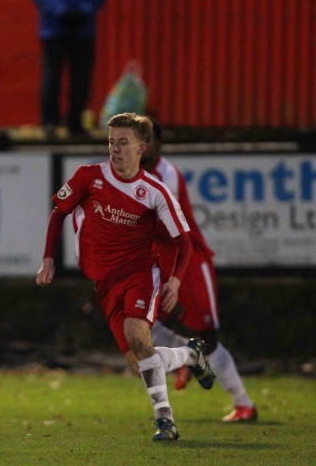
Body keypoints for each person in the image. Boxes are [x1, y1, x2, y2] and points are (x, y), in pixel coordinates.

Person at [36, 112, 215, 442]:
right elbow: (58, 212)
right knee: (141, 359)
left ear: (141, 148)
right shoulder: (89, 177)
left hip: (141, 273)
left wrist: (174, 282)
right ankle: (191, 354)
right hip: (104, 282)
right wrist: (48, 259)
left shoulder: (155, 191)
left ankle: (164, 419)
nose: (115, 149)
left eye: (123, 143)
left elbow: (184, 241)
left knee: (137, 336)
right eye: (111, 142)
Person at [141, 118, 257, 423]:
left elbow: (151, 217)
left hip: (189, 261)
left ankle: (244, 403)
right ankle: (188, 356)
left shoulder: (166, 175)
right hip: (157, 260)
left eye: (147, 139)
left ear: (158, 144)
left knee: (208, 337)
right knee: (142, 324)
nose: (141, 145)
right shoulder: (127, 177)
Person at [33, 0, 106, 138]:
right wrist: (64, 11)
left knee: (80, 78)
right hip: (61, 27)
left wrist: (79, 12)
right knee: (53, 77)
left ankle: (73, 122)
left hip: (72, 27)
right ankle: (52, 122)